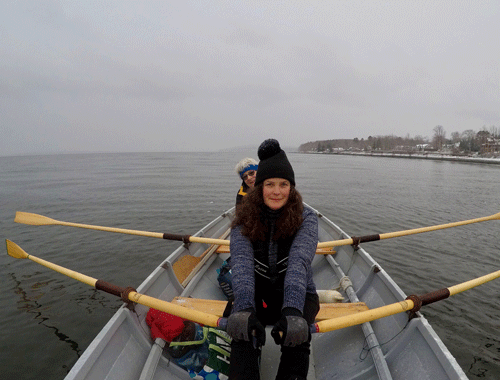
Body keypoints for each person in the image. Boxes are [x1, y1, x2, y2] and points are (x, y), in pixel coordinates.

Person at [226, 139, 320, 380]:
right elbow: (241, 262)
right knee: (240, 329)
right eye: (269, 184)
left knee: (298, 335)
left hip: (298, 294)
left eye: (283, 184)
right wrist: (245, 307)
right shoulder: (243, 218)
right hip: (256, 292)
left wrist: (291, 311)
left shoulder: (307, 218)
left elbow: (299, 262)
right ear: (259, 187)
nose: (277, 191)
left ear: (292, 187)